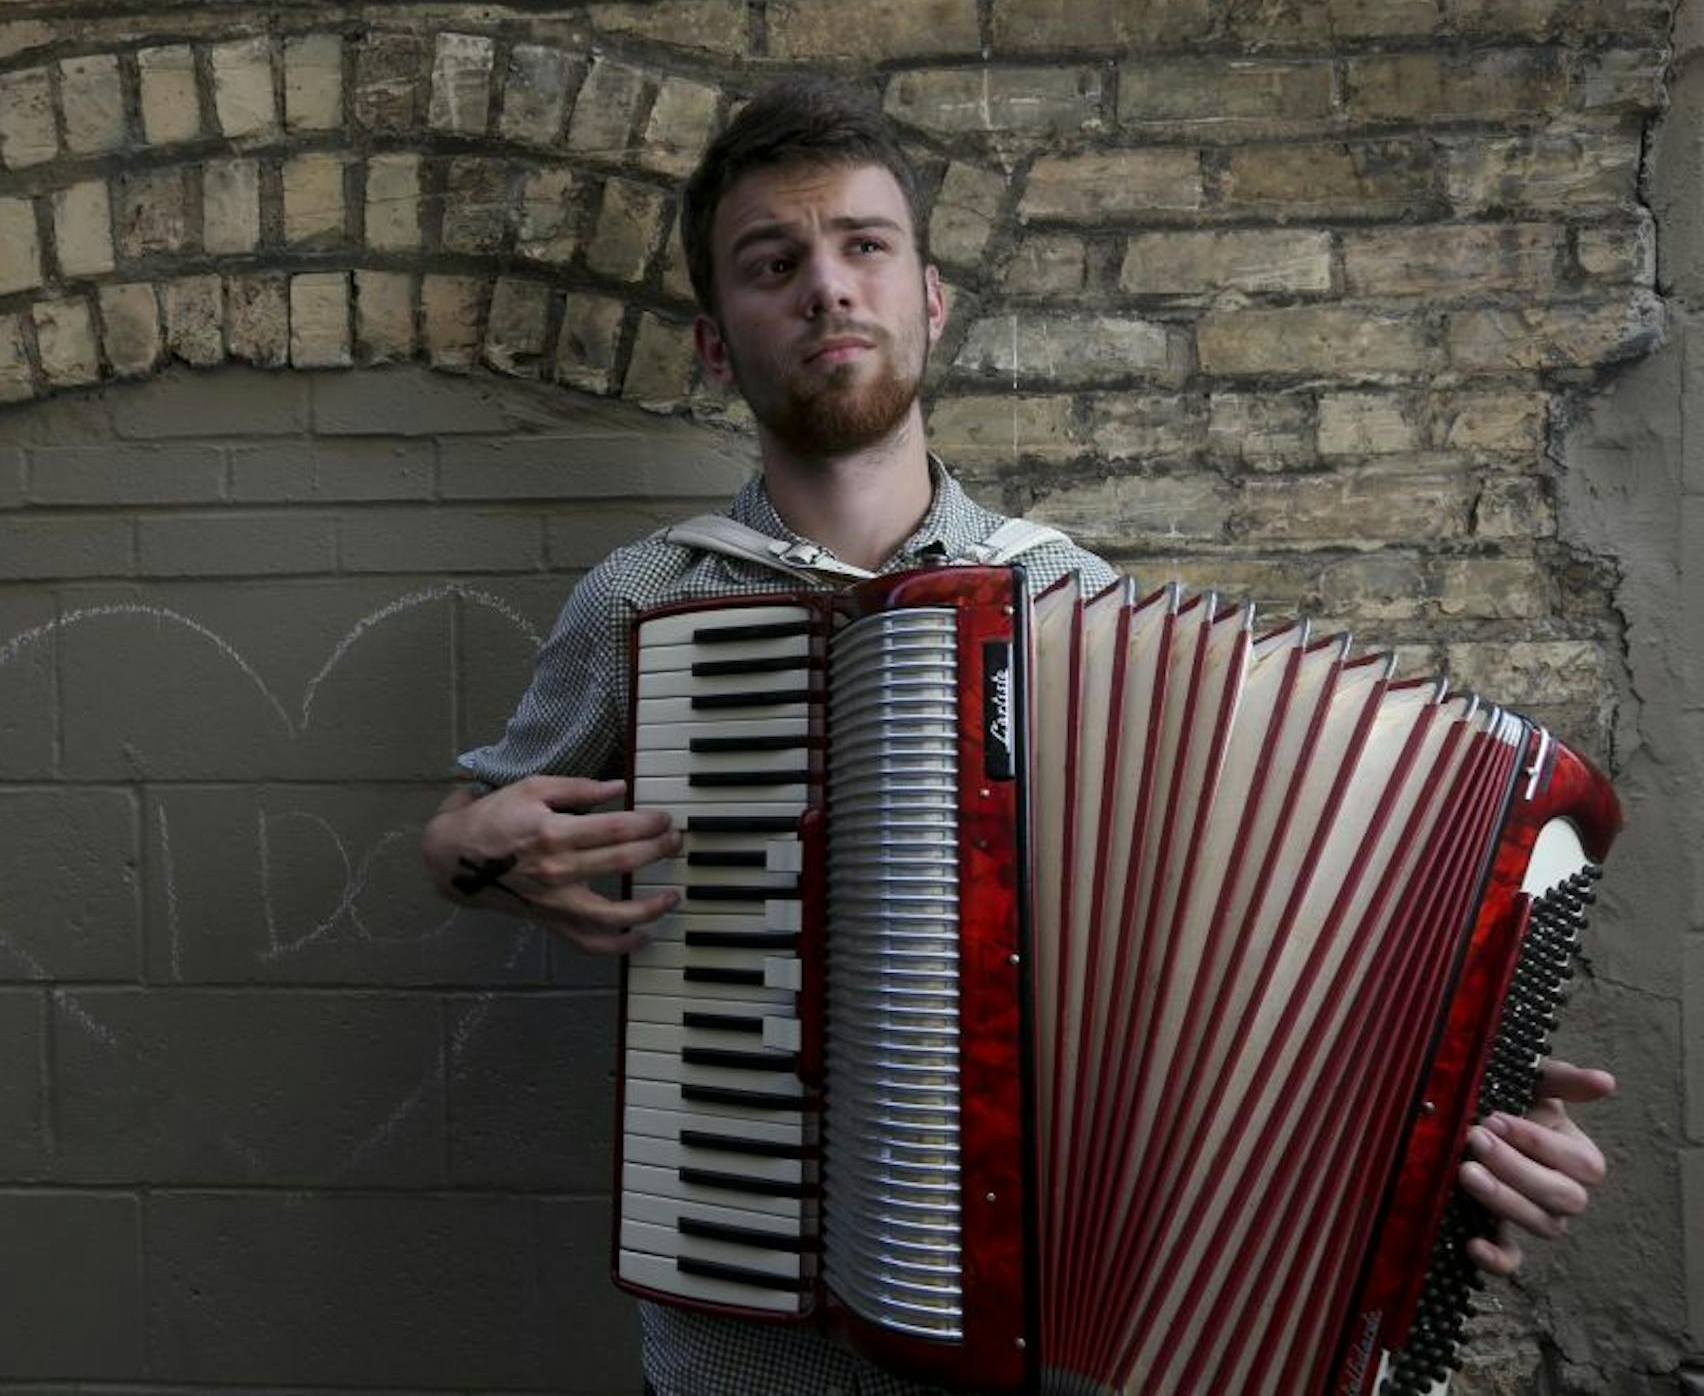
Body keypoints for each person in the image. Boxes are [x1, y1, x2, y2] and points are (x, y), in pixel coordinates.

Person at [421, 75, 1615, 1395]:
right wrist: (479, 845)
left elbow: (1231, 963)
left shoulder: (1080, 610)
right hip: (745, 1352)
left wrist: (1449, 1105)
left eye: (864, 247)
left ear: (928, 301)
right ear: (717, 345)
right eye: (775, 264)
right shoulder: (647, 601)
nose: (826, 287)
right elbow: (464, 836)